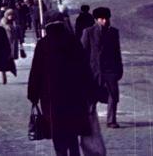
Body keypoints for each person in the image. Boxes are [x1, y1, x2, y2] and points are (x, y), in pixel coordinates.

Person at [27, 11, 103, 156]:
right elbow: (84, 69)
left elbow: (36, 72)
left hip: (51, 99)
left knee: (58, 133)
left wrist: (33, 94)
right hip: (73, 97)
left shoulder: (43, 45)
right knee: (72, 133)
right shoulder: (73, 41)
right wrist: (91, 91)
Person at [81, 7, 123, 128]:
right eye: (102, 19)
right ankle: (88, 120)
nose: (105, 21)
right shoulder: (88, 32)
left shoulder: (114, 32)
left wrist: (119, 69)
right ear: (96, 20)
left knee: (113, 96)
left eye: (107, 18)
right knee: (91, 97)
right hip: (93, 70)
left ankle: (111, 120)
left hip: (110, 71)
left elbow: (117, 52)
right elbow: (83, 52)